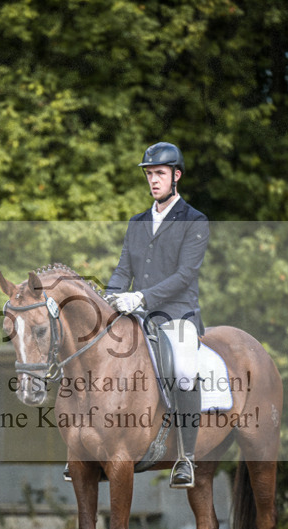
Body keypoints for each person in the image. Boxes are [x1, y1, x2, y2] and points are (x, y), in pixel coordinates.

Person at [106, 141, 209, 488]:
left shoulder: (195, 221)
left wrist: (141, 296)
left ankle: (187, 458)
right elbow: (123, 269)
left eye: (160, 174)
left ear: (176, 176)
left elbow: (184, 275)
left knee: (183, 366)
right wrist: (110, 295)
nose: (153, 180)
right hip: (137, 313)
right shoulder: (137, 222)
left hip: (178, 314)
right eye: (150, 174)